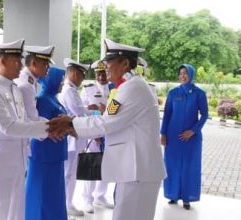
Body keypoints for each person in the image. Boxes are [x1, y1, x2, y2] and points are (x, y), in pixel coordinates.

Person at [48, 38, 166, 220]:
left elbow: (106, 123)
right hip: (133, 168)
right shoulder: (127, 87)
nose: (105, 67)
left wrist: (71, 124)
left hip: (138, 170)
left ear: (125, 63)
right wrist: (73, 125)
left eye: (109, 62)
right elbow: (107, 119)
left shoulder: (132, 88)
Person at [0, 39, 53, 220]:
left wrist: (51, 124)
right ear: (2, 61)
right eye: (16, 60)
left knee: (17, 208)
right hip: (2, 161)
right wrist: (49, 128)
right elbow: (9, 127)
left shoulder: (14, 88)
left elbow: (25, 120)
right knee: (0, 208)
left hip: (19, 159)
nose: (21, 65)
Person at [160, 64, 208, 210]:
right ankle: (173, 195)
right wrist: (163, 133)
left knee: (189, 167)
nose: (182, 76)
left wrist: (193, 131)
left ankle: (187, 197)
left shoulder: (199, 93)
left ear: (191, 74)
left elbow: (205, 115)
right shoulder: (173, 93)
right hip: (173, 137)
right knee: (172, 166)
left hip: (191, 139)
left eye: (185, 73)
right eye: (180, 73)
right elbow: (167, 114)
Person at [25, 67, 68, 220]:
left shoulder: (54, 98)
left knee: (54, 195)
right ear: (51, 80)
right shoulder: (43, 99)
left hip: (54, 156)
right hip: (44, 155)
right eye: (60, 80)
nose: (62, 83)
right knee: (42, 196)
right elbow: (41, 125)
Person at [58, 58, 92, 217]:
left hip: (75, 137)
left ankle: (67, 202)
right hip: (72, 138)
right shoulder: (70, 91)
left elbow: (80, 111)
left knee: (70, 173)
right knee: (69, 173)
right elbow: (79, 114)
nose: (82, 79)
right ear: (73, 73)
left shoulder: (70, 90)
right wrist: (95, 115)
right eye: (81, 75)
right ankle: (66, 204)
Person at [80, 60, 114, 213]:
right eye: (98, 73)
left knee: (107, 166)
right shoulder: (88, 89)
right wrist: (93, 108)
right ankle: (87, 199)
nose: (101, 76)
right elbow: (82, 111)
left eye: (104, 72)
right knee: (92, 165)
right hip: (94, 134)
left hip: (110, 133)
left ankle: (100, 196)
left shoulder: (114, 88)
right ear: (95, 74)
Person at [14, 45, 54, 121]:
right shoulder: (27, 85)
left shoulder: (27, 78)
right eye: (45, 64)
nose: (48, 67)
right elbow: (32, 118)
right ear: (34, 64)